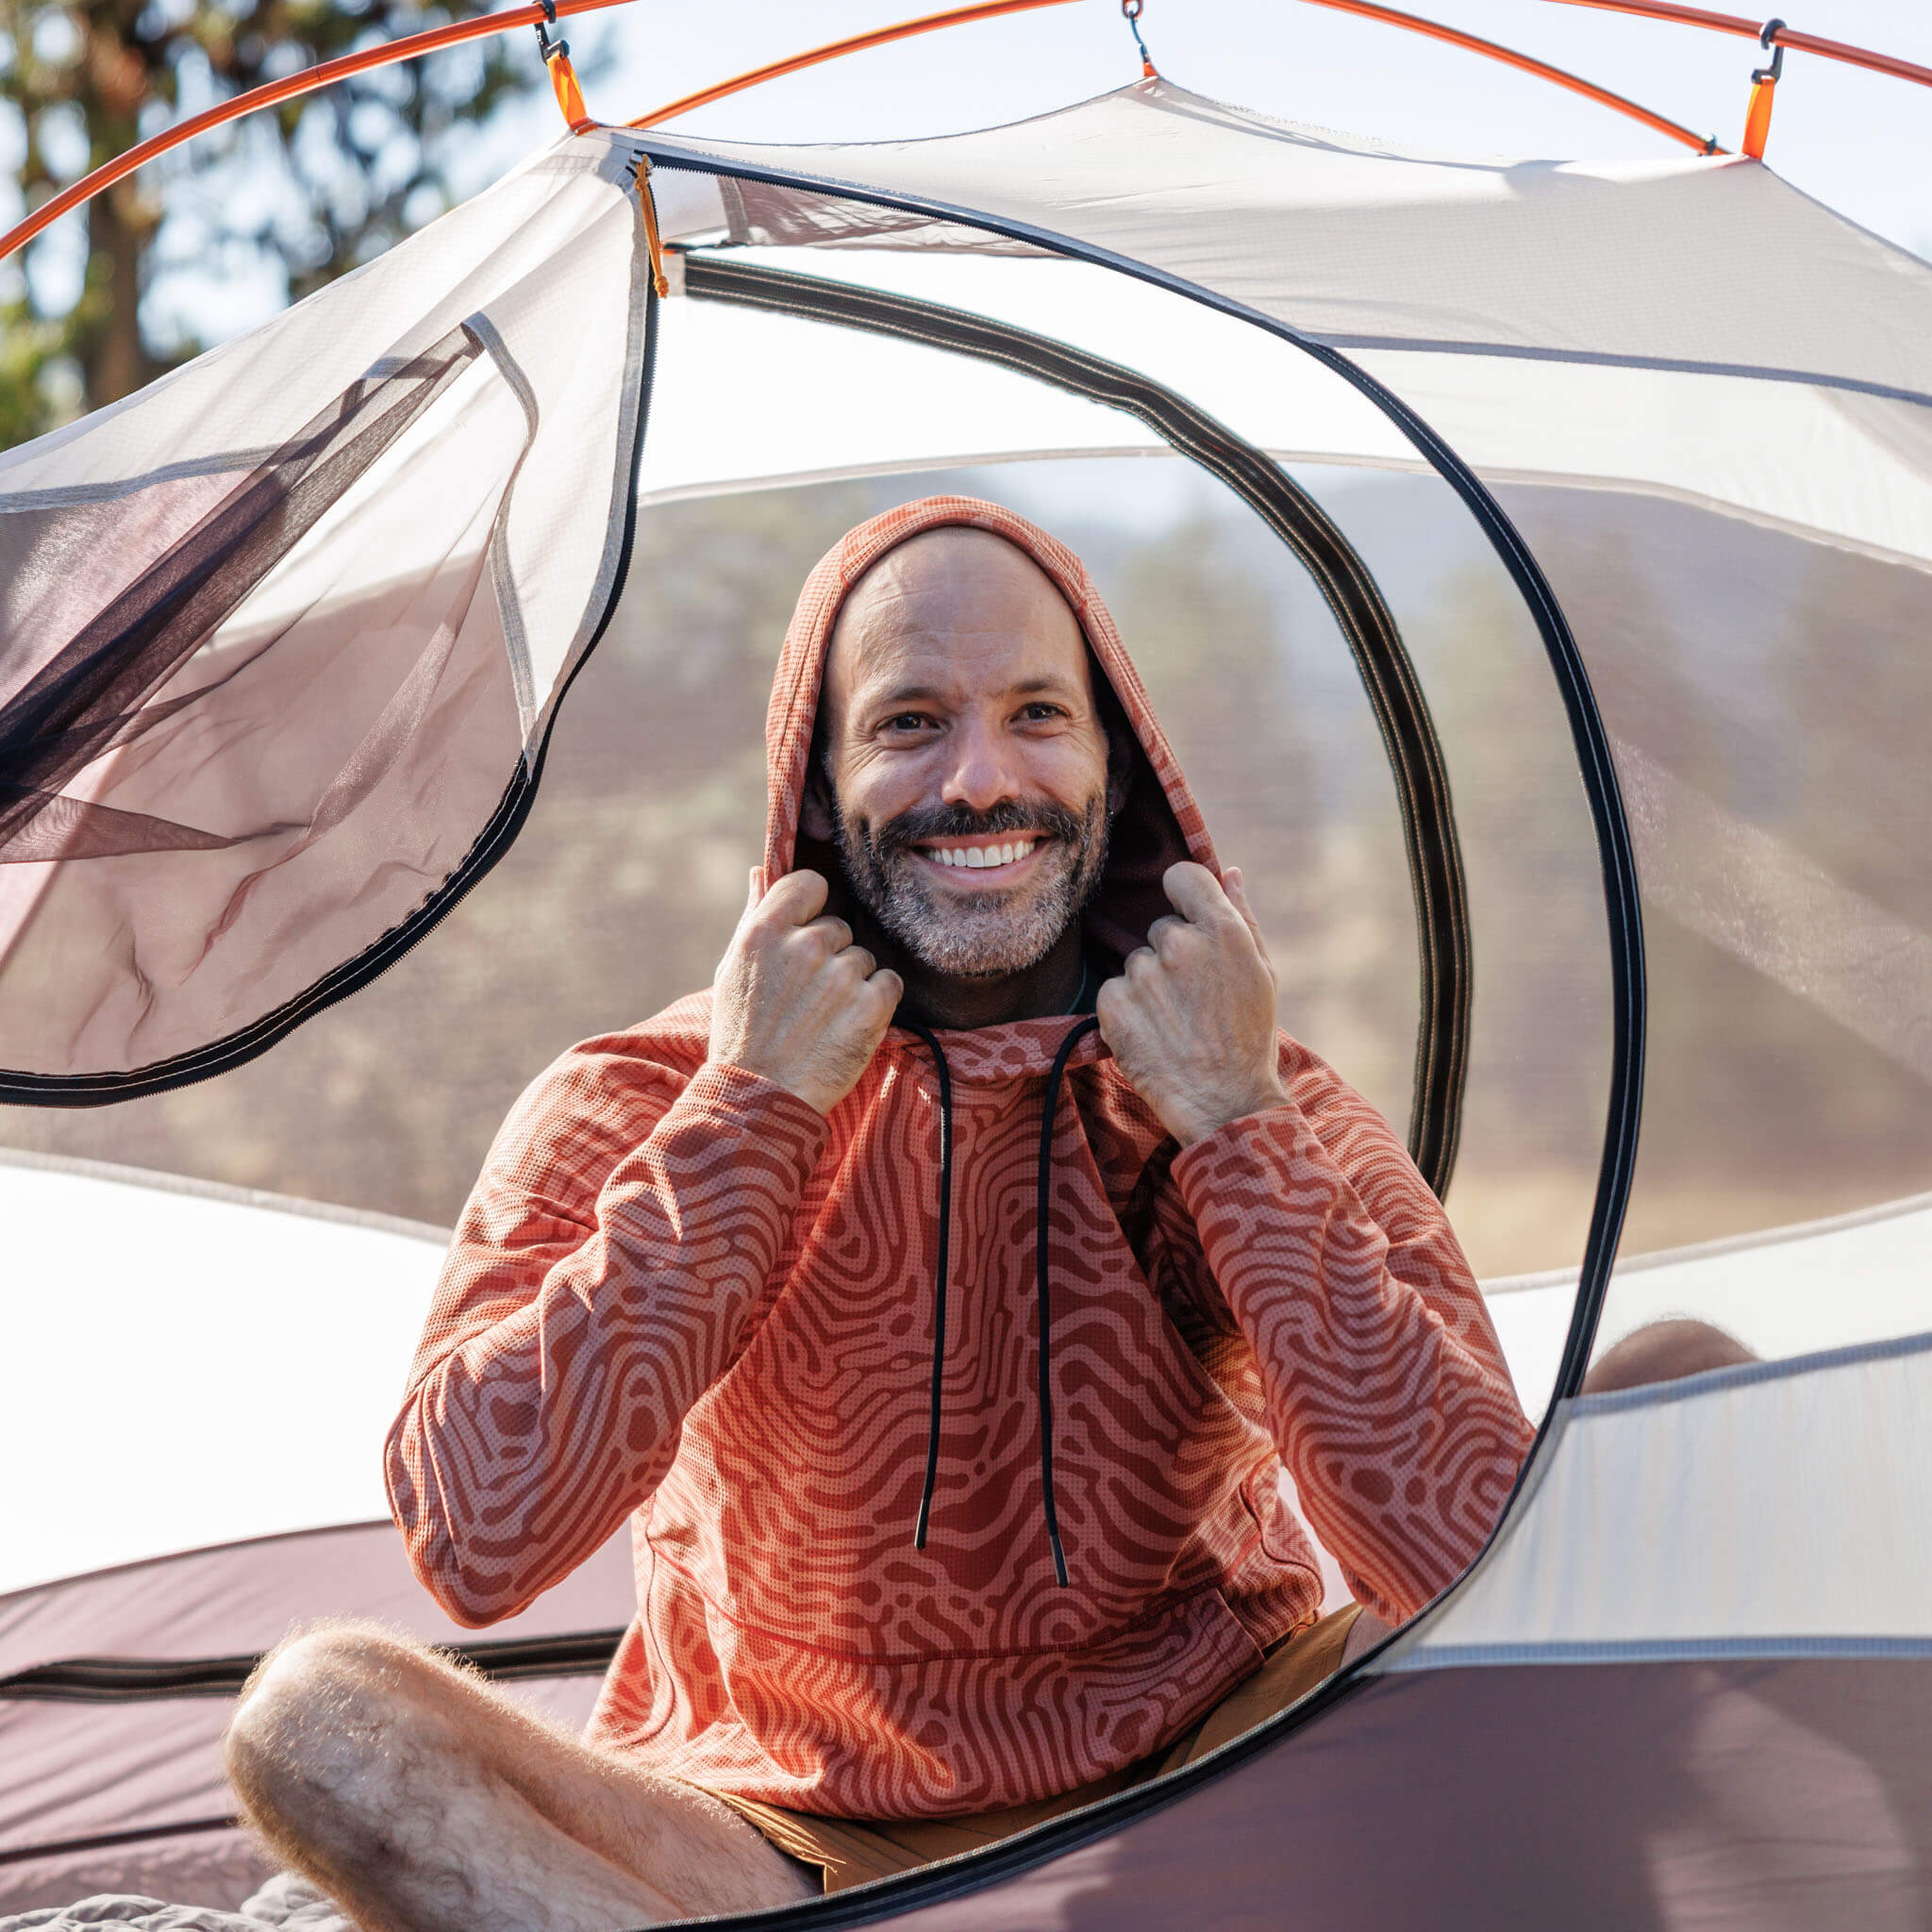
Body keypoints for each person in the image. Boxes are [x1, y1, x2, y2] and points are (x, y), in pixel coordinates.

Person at [224, 496, 1740, 1930]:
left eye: (1035, 714)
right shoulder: (646, 1092)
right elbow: (475, 1539)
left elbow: (1489, 1569)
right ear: (815, 785)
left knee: (1689, 1396)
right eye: (907, 723)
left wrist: (1232, 1129)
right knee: (322, 1722)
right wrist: (754, 1110)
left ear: (1112, 767)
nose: (977, 782)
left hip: (1235, 1783)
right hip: (791, 1848)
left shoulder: (1236, 1081)